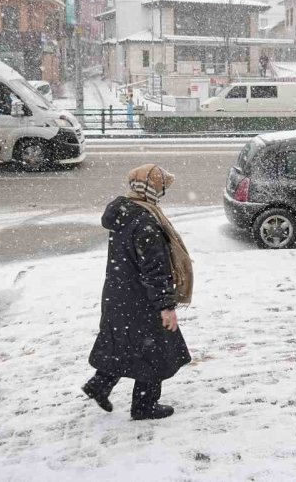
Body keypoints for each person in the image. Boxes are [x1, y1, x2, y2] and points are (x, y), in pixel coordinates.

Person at [83, 164, 194, 420]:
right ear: (152, 189)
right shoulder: (145, 221)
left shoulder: (126, 213)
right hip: (142, 298)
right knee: (154, 352)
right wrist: (166, 306)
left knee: (126, 345)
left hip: (120, 294)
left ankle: (99, 385)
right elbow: (155, 269)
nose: (164, 192)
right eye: (162, 187)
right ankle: (144, 406)